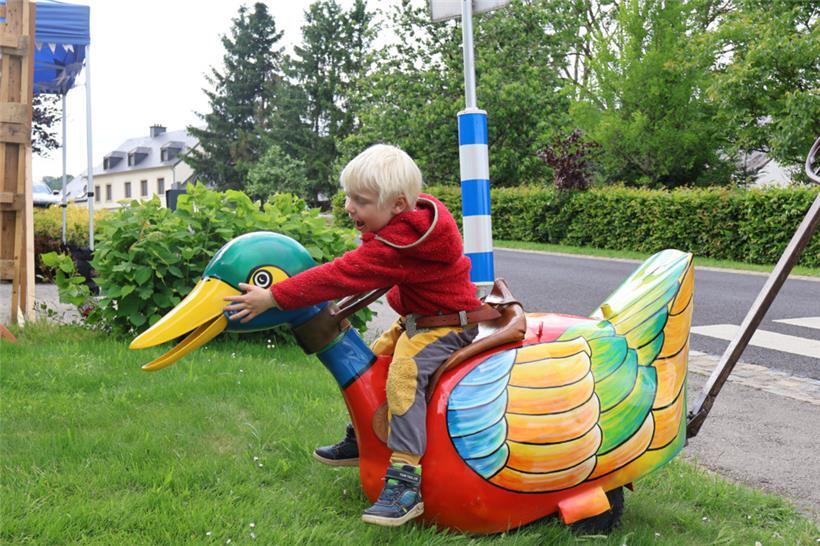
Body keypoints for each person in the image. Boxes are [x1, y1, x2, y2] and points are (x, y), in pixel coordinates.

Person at [223, 144, 493, 526]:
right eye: (348, 196)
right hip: (422, 318)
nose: (350, 207)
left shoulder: (401, 244)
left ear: (398, 205)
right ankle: (365, 436)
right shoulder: (403, 227)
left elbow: (339, 274)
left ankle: (405, 482)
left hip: (448, 324)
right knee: (372, 360)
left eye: (361, 201)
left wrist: (274, 296)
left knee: (404, 374)